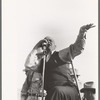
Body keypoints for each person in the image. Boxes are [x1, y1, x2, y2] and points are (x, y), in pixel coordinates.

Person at [21, 23, 95, 100]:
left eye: (50, 41)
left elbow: (78, 48)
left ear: (55, 46)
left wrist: (82, 32)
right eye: (46, 41)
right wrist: (37, 46)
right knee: (52, 93)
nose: (48, 43)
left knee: (56, 91)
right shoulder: (42, 63)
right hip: (54, 93)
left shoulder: (59, 55)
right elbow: (28, 65)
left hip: (68, 90)